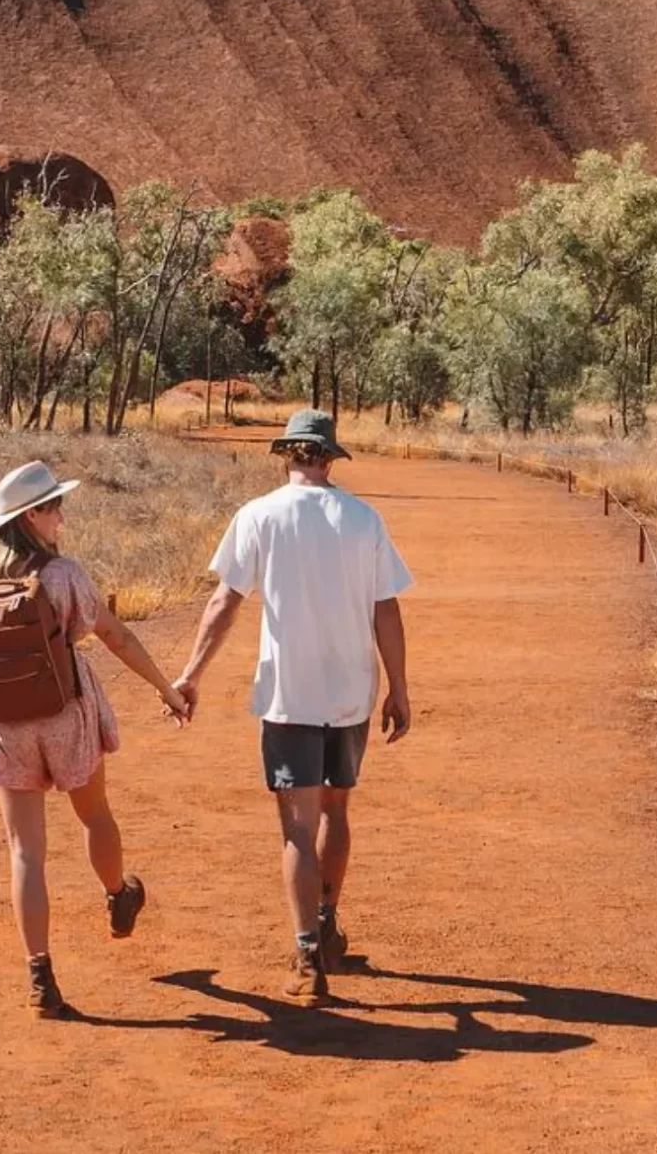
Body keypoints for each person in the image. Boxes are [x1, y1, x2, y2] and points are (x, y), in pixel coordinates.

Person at [175, 408, 412, 1004]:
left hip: (288, 696)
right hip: (351, 693)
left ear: (287, 455)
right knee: (337, 809)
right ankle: (327, 921)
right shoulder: (363, 520)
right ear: (330, 458)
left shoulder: (258, 516)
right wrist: (399, 687)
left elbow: (225, 601)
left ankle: (308, 955)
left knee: (296, 829)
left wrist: (191, 675)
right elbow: (387, 608)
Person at [0, 459, 193, 1019]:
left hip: (4, 724)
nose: (62, 515)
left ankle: (41, 975)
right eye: (55, 506)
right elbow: (117, 638)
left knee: (25, 852)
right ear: (31, 515)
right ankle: (117, 893)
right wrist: (167, 690)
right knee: (95, 815)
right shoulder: (62, 577)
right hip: (66, 715)